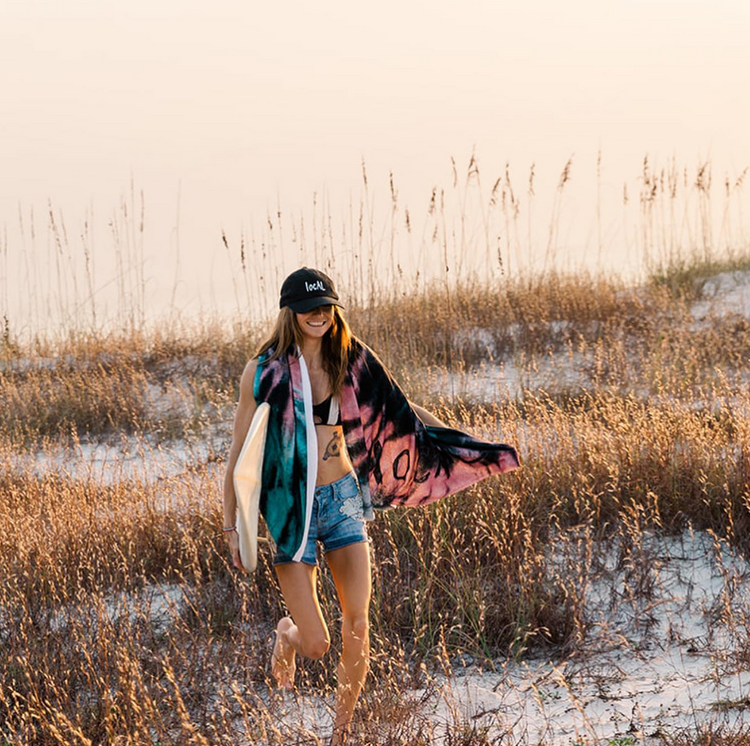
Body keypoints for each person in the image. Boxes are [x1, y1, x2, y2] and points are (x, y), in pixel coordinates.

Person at [223, 267, 520, 745]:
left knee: (357, 621)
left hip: (342, 501)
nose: (318, 316)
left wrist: (461, 444)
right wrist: (231, 525)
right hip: (290, 511)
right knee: (317, 644)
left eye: (326, 308)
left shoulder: (352, 359)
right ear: (290, 312)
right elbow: (239, 451)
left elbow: (401, 409)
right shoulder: (264, 371)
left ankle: (341, 733)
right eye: (308, 309)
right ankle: (288, 634)